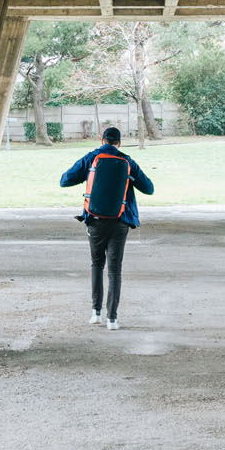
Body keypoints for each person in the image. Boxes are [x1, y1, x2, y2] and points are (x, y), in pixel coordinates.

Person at [60, 126, 153, 330]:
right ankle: (113, 319)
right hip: (120, 222)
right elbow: (149, 188)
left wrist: (89, 176)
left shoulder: (91, 157)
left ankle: (96, 313)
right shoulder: (127, 161)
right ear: (119, 143)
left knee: (96, 264)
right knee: (115, 270)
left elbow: (64, 181)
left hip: (95, 221)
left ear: (102, 140)